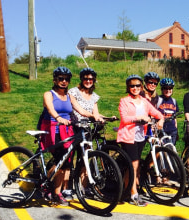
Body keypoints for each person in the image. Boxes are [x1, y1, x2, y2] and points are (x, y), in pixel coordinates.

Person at [117, 74, 164, 207]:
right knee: (134, 165)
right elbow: (125, 119)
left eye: (138, 85)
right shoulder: (124, 101)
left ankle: (125, 191)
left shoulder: (144, 101)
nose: (135, 88)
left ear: (141, 87)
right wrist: (140, 118)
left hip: (140, 136)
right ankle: (134, 195)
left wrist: (161, 120)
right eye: (132, 86)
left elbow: (157, 113)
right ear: (128, 87)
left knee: (133, 166)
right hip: (128, 136)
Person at [38, 67, 80, 206]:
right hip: (52, 129)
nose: (63, 81)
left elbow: (80, 110)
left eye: (66, 79)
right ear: (54, 80)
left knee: (65, 161)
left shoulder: (69, 96)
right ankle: (48, 186)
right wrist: (58, 118)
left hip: (66, 130)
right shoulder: (48, 94)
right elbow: (50, 109)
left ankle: (56, 191)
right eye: (60, 78)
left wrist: (96, 116)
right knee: (61, 160)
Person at [66, 67, 106, 200]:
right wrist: (94, 117)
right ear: (81, 79)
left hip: (87, 130)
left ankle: (83, 187)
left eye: (91, 79)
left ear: (94, 80)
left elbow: (95, 112)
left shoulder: (94, 96)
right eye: (85, 78)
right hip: (74, 128)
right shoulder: (73, 92)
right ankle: (67, 188)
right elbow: (80, 110)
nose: (88, 81)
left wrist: (105, 117)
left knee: (85, 159)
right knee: (69, 159)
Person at [156, 77, 179, 144]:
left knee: (171, 151)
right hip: (161, 130)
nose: (168, 90)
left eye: (170, 88)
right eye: (165, 88)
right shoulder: (158, 100)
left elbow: (175, 118)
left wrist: (176, 131)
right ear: (162, 89)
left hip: (172, 130)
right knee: (161, 151)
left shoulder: (174, 101)